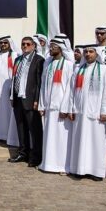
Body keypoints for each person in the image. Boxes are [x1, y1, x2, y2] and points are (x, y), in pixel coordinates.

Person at [64, 45, 106, 180]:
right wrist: (71, 109)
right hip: (79, 113)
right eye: (86, 52)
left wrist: (104, 111)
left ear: (97, 54)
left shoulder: (104, 70)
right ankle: (78, 169)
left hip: (96, 114)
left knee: (95, 142)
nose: (88, 54)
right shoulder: (79, 70)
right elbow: (72, 91)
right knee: (79, 141)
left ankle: (95, 171)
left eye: (91, 52)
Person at [38, 36, 73, 174]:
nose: (50, 48)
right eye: (50, 46)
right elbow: (43, 86)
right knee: (49, 137)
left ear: (61, 48)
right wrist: (41, 104)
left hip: (60, 108)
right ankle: (48, 163)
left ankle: (62, 166)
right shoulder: (48, 64)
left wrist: (65, 107)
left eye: (54, 46)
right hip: (48, 107)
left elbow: (69, 89)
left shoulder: (69, 65)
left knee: (61, 138)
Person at [9, 36, 44, 167]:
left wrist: (37, 100)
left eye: (28, 44)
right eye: (23, 44)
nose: (25, 46)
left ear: (34, 46)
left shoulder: (39, 60)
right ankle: (23, 153)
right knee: (21, 128)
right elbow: (14, 79)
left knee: (34, 130)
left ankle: (36, 156)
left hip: (30, 100)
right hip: (18, 98)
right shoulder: (18, 59)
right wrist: (12, 96)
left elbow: (39, 82)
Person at [0, 36, 18, 146]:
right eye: (1, 42)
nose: (3, 44)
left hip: (8, 89)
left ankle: (7, 136)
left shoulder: (14, 56)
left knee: (7, 112)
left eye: (5, 42)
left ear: (10, 43)